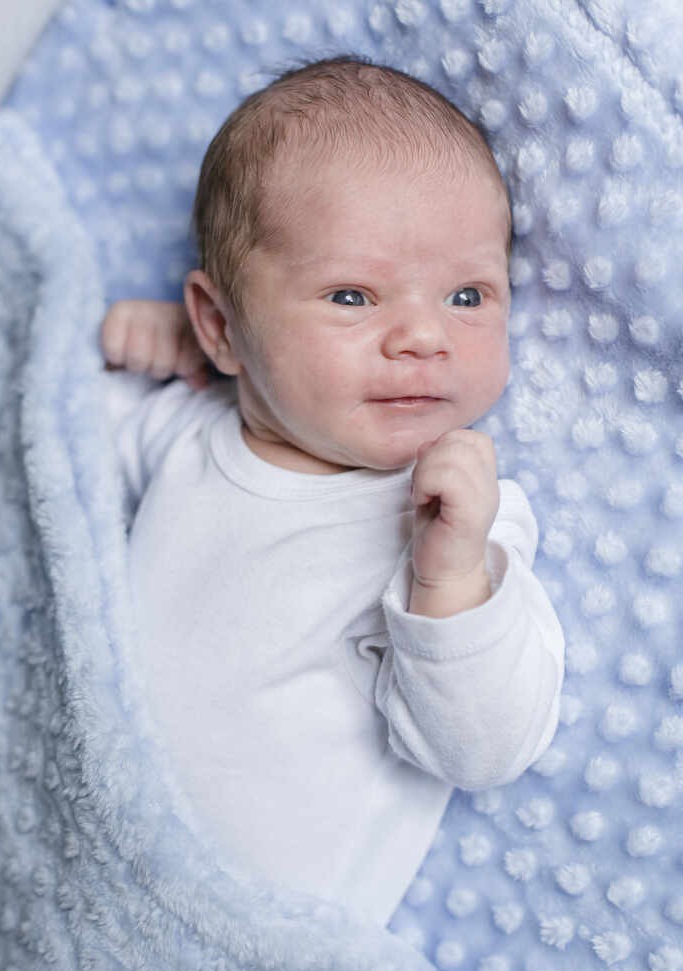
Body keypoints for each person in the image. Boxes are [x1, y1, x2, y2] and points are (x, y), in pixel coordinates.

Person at [101, 56, 565, 927]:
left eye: (468, 295)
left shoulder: (462, 525)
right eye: (352, 295)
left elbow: (485, 750)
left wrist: (449, 586)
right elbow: (32, 455)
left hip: (260, 936)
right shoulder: (180, 439)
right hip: (87, 872)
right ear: (221, 323)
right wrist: (128, 348)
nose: (423, 336)